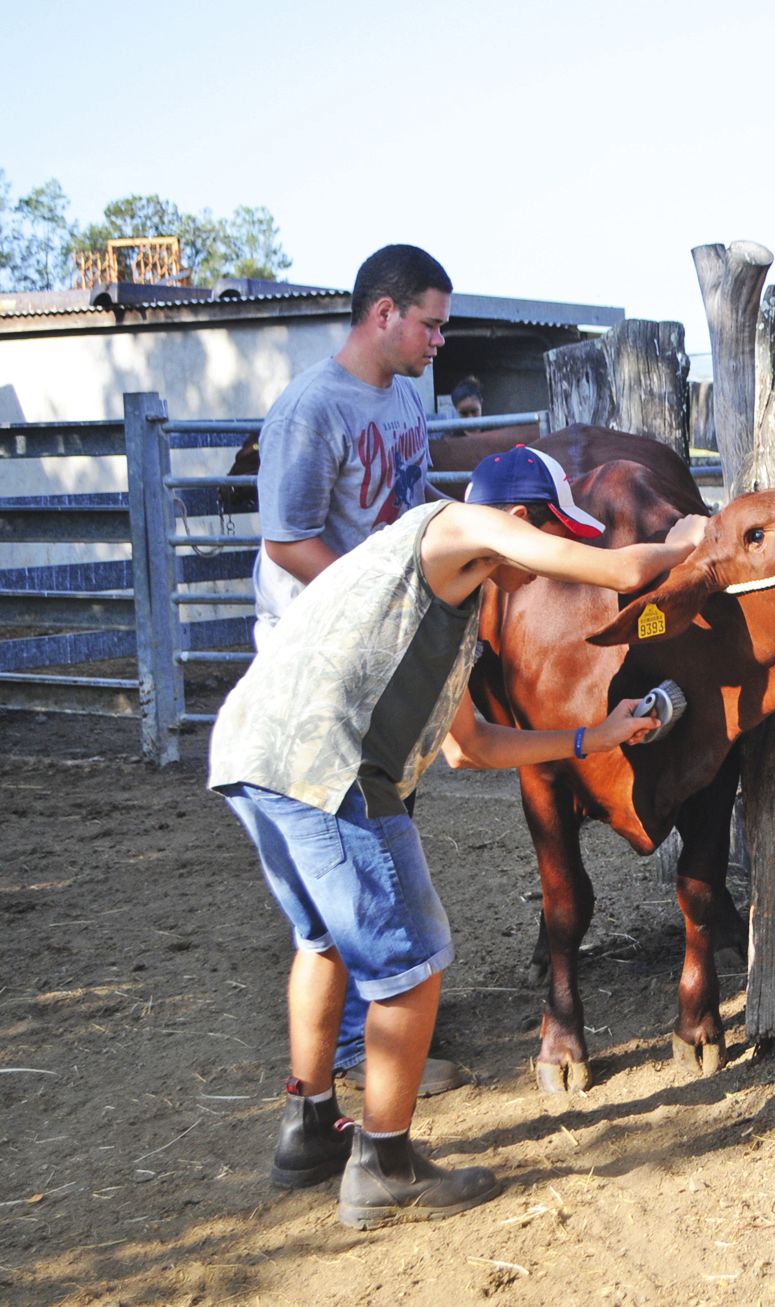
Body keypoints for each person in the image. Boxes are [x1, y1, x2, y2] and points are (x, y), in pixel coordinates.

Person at [211, 445, 709, 1227]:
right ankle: (384, 1163)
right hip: (327, 765)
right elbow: (615, 573)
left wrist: (591, 736)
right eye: (549, 535)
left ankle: (307, 1128)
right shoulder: (455, 525)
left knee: (325, 943)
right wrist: (688, 543)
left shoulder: (445, 610)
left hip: (254, 752)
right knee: (410, 965)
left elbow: (470, 746)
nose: (548, 571)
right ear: (517, 521)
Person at [253, 243, 466, 1095]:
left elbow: (407, 509)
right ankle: (355, 1049)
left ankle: (377, 1023)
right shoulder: (311, 409)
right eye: (431, 323)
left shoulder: (406, 402)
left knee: (383, 831)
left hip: (377, 656)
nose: (438, 341)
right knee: (348, 850)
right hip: (317, 663)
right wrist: (380, 595)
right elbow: (287, 537)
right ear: (385, 313)